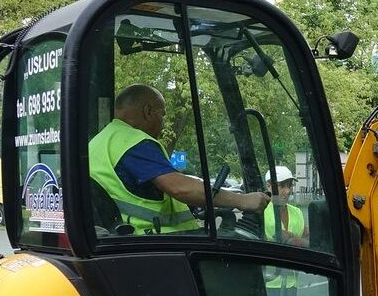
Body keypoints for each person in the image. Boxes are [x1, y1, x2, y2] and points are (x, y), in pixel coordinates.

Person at [89, 84, 269, 234]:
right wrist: (243, 201)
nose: (163, 121)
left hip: (127, 247)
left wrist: (215, 196)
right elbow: (178, 188)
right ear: (148, 111)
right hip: (157, 249)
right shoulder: (134, 142)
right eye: (163, 114)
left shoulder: (100, 143)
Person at [265, 165, 308, 296]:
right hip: (270, 285)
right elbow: (290, 241)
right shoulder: (262, 212)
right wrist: (298, 241)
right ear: (269, 186)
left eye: (289, 185)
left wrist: (296, 240)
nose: (287, 191)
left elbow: (307, 239)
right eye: (282, 186)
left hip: (291, 283)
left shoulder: (296, 212)